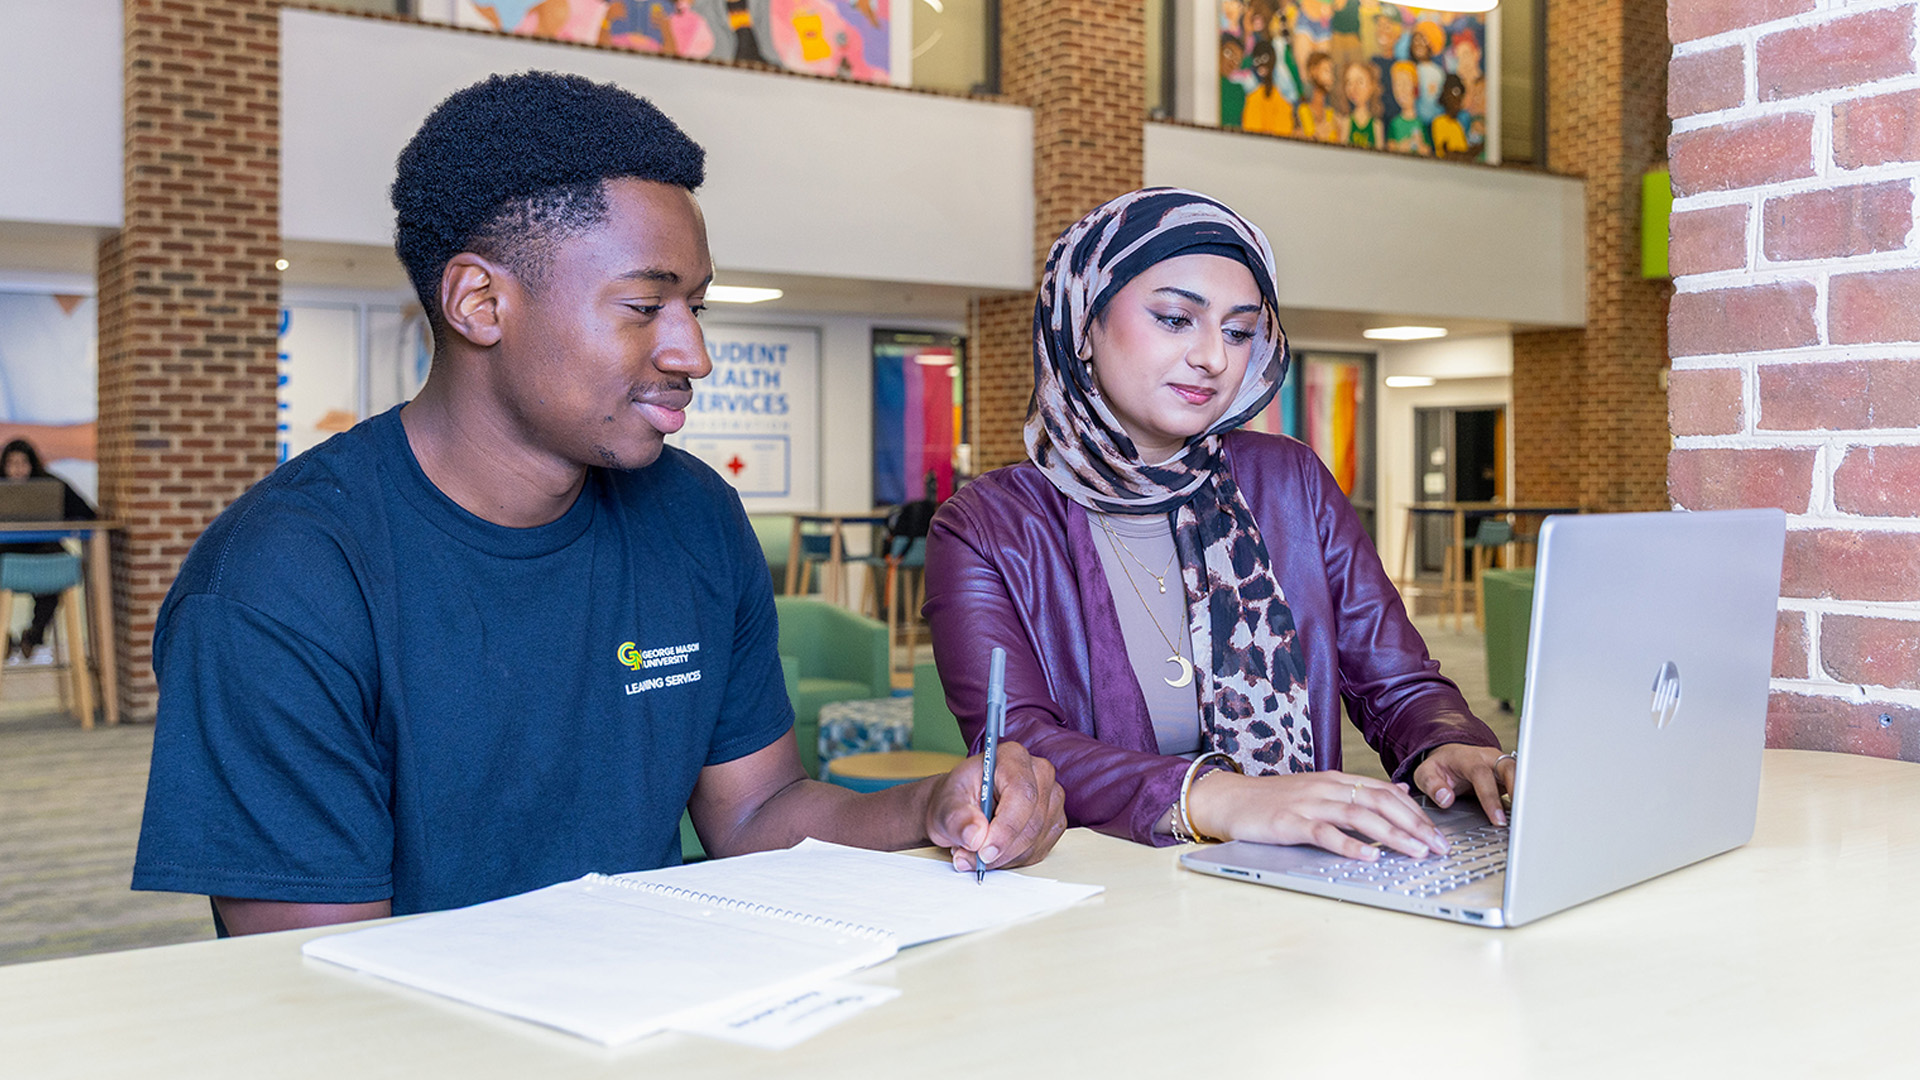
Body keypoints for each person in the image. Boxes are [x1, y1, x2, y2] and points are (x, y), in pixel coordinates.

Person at [132, 72, 1064, 936]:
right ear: (480, 303)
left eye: (697, 307)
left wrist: (932, 805)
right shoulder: (278, 582)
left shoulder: (694, 515)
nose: (693, 353)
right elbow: (321, 985)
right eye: (644, 306)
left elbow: (753, 812)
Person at [921, 188, 1510, 863]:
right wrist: (1218, 798)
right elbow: (1020, 751)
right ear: (1084, 324)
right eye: (1176, 319)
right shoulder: (986, 528)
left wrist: (1449, 744)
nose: (1215, 358)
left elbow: (1397, 683)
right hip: (1099, 899)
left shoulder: (1290, 482)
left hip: (1294, 886)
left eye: (1237, 330)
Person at [0, 438, 96, 664]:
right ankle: (3, 639)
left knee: (56, 569)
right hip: (5, 553)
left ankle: (33, 636)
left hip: (43, 553)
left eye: (23, 463)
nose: (17, 469)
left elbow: (86, 512)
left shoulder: (50, 484)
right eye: (11, 463)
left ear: (33, 464)